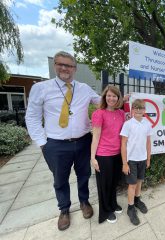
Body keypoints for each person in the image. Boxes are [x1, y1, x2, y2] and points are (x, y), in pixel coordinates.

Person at [25, 51, 100, 231]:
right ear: (55, 65)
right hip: (56, 144)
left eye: (69, 65)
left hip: (83, 141)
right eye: (61, 64)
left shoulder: (84, 88)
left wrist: (126, 99)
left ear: (75, 68)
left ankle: (84, 201)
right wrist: (42, 143)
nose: (65, 68)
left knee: (83, 175)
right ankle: (64, 209)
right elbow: (32, 117)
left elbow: (104, 101)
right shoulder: (41, 88)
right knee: (60, 179)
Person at [91, 86, 126, 224]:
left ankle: (112, 203)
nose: (111, 98)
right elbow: (95, 137)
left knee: (113, 183)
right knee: (104, 185)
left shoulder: (121, 113)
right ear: (105, 97)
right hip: (103, 155)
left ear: (118, 98)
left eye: (114, 96)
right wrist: (92, 158)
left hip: (117, 154)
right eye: (109, 96)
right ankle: (106, 211)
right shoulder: (99, 113)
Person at [120, 99, 152, 226]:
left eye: (141, 108)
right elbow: (123, 144)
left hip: (142, 158)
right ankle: (130, 207)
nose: (139, 110)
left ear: (144, 110)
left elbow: (148, 142)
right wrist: (124, 163)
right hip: (131, 160)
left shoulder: (147, 124)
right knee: (132, 185)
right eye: (136, 108)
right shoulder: (128, 124)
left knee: (139, 181)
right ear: (132, 110)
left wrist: (148, 158)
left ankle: (137, 200)